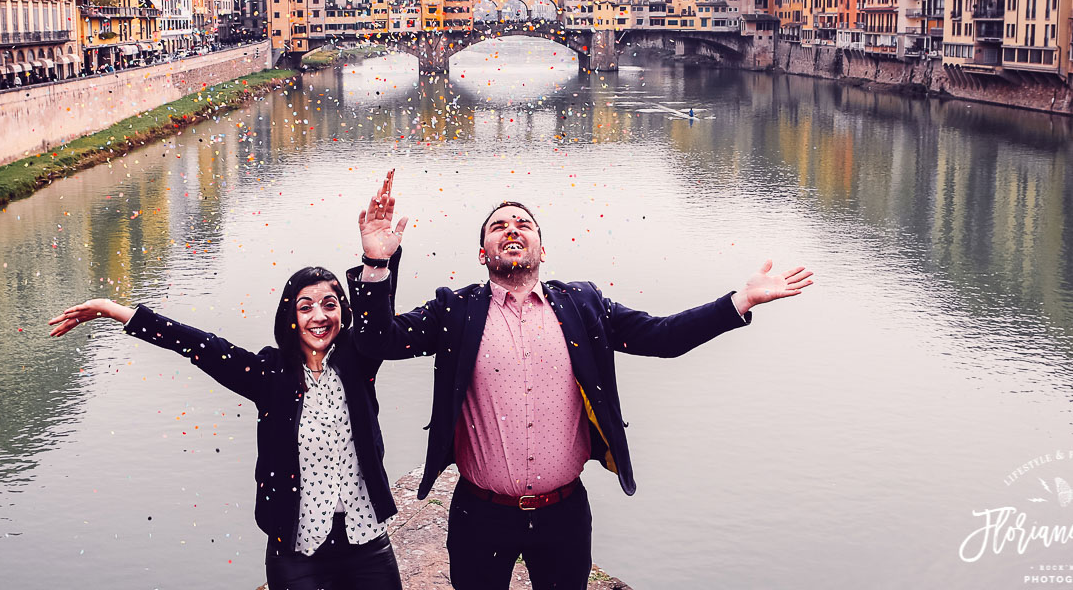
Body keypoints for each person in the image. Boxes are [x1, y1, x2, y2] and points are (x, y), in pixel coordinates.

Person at [348, 171, 812, 590]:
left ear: (541, 250)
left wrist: (739, 301)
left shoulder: (583, 306)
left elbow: (664, 336)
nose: (512, 229)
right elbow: (377, 342)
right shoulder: (455, 311)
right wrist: (376, 263)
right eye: (498, 227)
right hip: (480, 512)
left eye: (523, 224)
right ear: (483, 253)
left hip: (563, 513)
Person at [48, 267, 403, 590]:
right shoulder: (270, 375)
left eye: (329, 304)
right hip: (297, 552)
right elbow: (198, 344)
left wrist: (377, 261)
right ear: (290, 317)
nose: (319, 316)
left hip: (366, 541)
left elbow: (378, 322)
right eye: (305, 306)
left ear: (342, 312)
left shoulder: (358, 363)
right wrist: (114, 310)